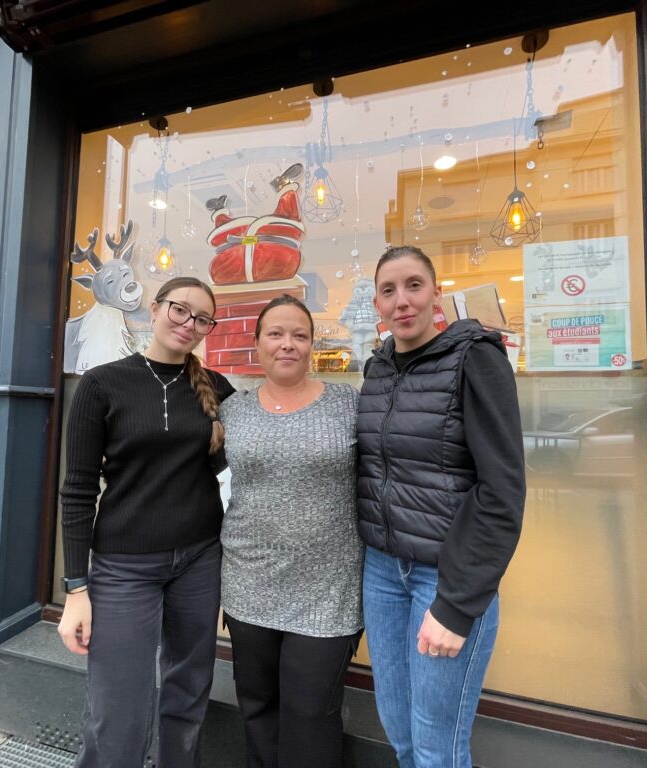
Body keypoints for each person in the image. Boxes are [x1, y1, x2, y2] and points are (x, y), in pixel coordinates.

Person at [356, 246, 525, 768]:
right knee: (398, 728)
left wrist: (456, 603)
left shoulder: (476, 357)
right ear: (377, 304)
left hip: (444, 577)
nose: (401, 301)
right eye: (389, 290)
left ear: (435, 293)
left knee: (437, 745)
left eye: (413, 286)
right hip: (383, 572)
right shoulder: (378, 368)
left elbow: (501, 491)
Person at [58, 276, 235, 768]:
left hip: (199, 561)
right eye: (180, 310)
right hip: (122, 567)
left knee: (187, 691)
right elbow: (76, 492)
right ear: (155, 310)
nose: (189, 324)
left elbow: (244, 465)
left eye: (202, 318)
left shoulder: (217, 388)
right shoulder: (101, 384)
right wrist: (76, 588)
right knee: (119, 704)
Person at [219, 294, 363, 768]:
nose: (288, 345)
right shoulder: (231, 411)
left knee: (311, 713)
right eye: (276, 334)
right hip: (248, 586)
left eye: (299, 335)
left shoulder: (349, 405)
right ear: (257, 344)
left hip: (327, 593)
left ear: (311, 345)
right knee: (257, 707)